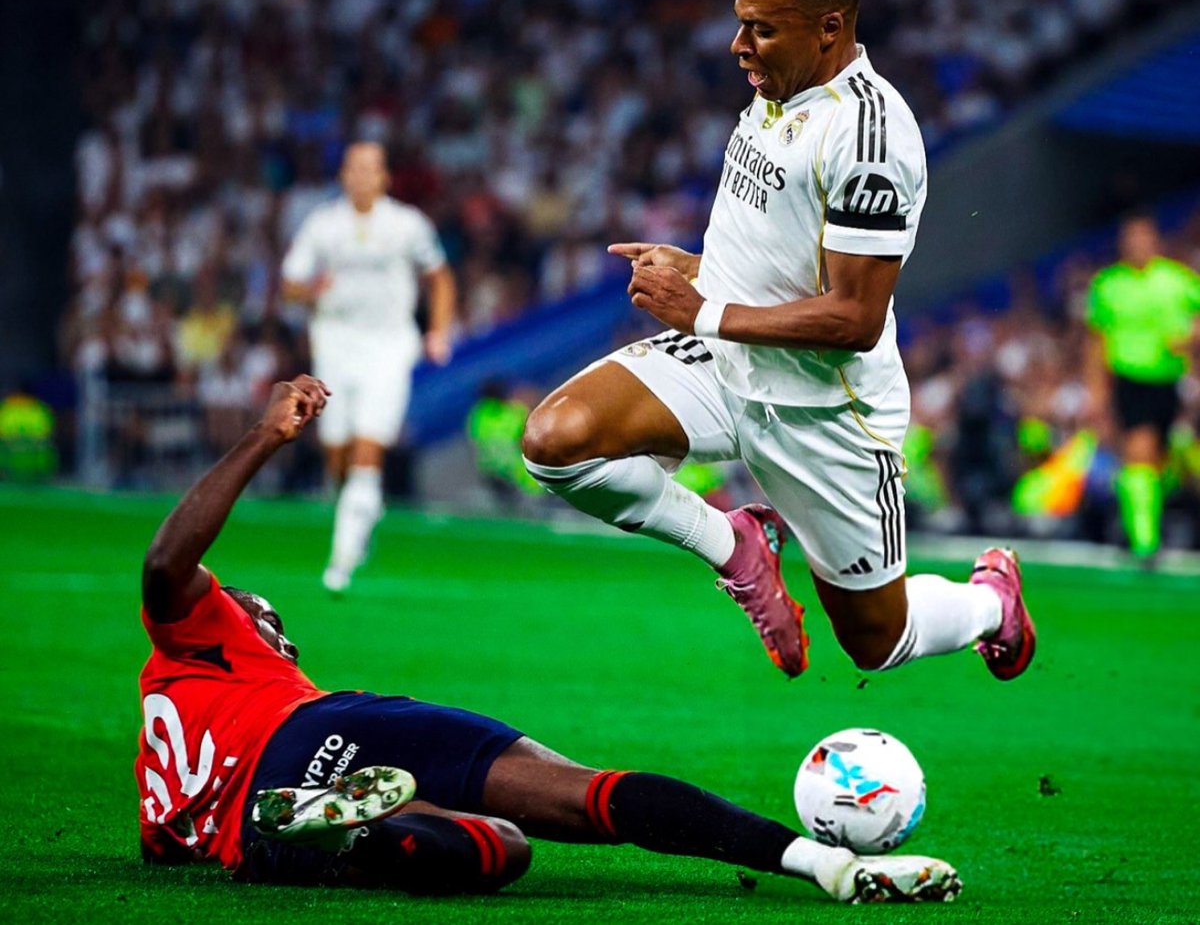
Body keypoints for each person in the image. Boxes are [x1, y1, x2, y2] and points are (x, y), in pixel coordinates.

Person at [136, 375, 961, 903]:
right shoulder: (209, 641)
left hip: (250, 831)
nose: (238, 603)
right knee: (579, 796)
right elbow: (169, 561)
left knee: (499, 849)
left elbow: (167, 843)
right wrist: (263, 435)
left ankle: (349, 831)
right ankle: (822, 864)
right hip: (319, 730)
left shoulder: (160, 780)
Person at [522, 0, 1035, 681]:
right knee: (556, 441)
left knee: (876, 640)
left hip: (825, 410)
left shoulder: (869, 139)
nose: (738, 44)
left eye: (761, 27)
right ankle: (738, 547)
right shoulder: (775, 91)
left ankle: (992, 603)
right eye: (740, 21)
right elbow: (777, 251)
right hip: (727, 362)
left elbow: (853, 319)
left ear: (830, 28)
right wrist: (698, 269)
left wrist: (700, 311)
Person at [282, 142, 457, 593]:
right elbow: (290, 284)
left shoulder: (406, 224)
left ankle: (340, 562)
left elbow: (439, 275)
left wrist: (437, 331)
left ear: (384, 177)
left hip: (388, 347)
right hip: (335, 345)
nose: (362, 177)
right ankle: (361, 511)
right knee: (336, 451)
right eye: (355, 168)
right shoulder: (323, 224)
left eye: (371, 169)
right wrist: (309, 289)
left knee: (367, 446)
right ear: (343, 175)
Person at [1086, 211, 1200, 560]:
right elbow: (1096, 342)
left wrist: (1189, 338)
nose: (1137, 244)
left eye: (1143, 237)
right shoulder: (1108, 285)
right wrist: (1096, 392)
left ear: (1155, 240)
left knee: (1162, 461)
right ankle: (1145, 542)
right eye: (1131, 238)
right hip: (1130, 378)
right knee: (1139, 451)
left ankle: (1146, 522)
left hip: (1170, 381)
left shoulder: (1178, 280)